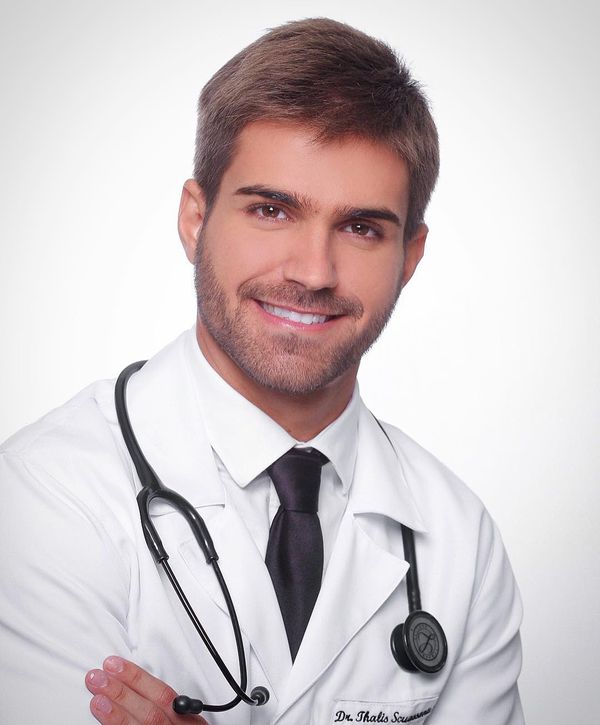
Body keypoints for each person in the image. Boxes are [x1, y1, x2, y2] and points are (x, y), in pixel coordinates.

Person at [0, 17, 524, 725]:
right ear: (196, 219)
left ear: (410, 255)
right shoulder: (44, 496)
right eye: (272, 210)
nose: (313, 272)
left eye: (361, 228)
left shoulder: (460, 537)